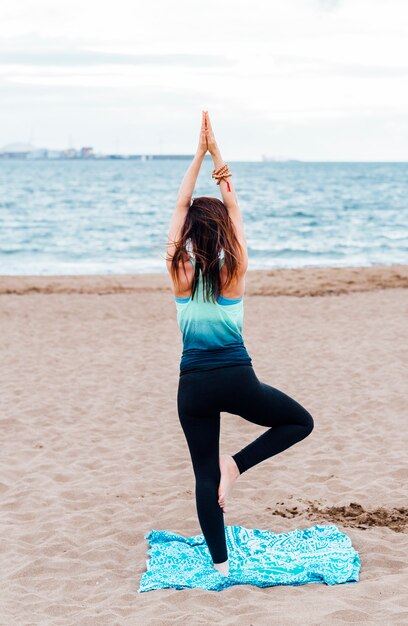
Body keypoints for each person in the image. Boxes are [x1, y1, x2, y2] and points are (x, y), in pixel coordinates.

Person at [165, 111, 314, 578]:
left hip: (194, 388)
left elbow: (180, 204)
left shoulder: (178, 269)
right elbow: (234, 211)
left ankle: (222, 567)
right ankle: (238, 465)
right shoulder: (235, 269)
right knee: (299, 421)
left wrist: (197, 156)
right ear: (224, 234)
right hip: (237, 378)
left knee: (202, 475)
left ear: (189, 231)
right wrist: (218, 158)